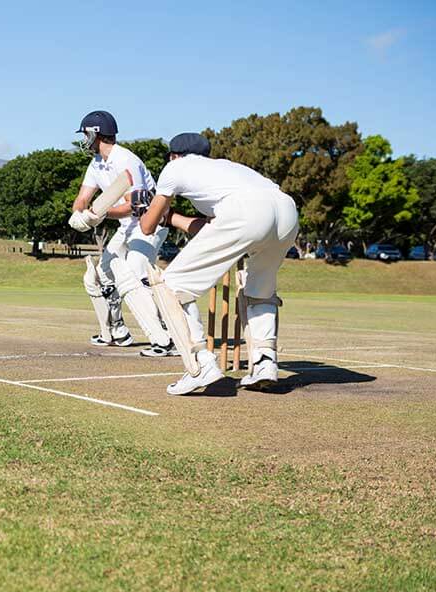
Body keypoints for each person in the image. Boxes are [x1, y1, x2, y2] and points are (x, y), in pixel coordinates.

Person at [138, 132, 299, 395]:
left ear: (174, 155)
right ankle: (265, 363)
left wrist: (151, 212)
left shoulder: (174, 167)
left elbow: (147, 226)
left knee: (169, 286)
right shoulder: (225, 168)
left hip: (246, 212)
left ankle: (201, 365)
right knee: (260, 291)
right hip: (286, 211)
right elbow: (214, 227)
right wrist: (172, 218)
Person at [67, 110, 176, 357]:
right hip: (127, 226)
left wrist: (99, 215)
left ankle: (166, 337)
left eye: (85, 135)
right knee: (104, 273)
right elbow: (83, 197)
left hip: (150, 223)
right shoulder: (96, 164)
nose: (84, 141)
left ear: (96, 133)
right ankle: (118, 331)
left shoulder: (126, 161)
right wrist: (79, 214)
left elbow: (134, 205)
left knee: (136, 270)